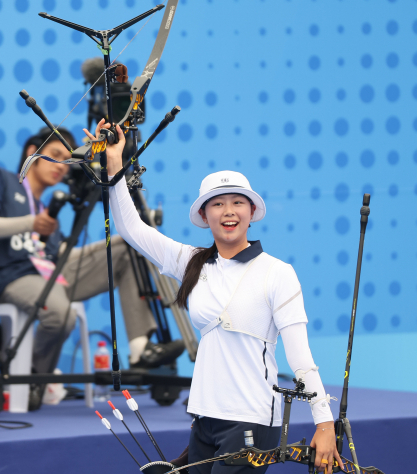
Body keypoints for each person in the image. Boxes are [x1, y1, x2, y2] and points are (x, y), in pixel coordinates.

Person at [86, 119, 343, 474]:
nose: (229, 211)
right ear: (204, 216)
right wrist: (114, 163)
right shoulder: (193, 263)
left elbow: (301, 359)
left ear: (252, 213)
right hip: (204, 418)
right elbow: (132, 229)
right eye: (218, 204)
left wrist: (324, 423)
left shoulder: (278, 273)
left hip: (251, 420)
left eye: (238, 202)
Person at [0, 127, 184, 408]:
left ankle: (140, 349)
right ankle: (32, 375)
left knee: (126, 246)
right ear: (32, 152)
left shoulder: (48, 206)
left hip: (50, 271)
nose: (60, 167)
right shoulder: (0, 180)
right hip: (10, 274)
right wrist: (30, 224)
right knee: (61, 314)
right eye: (54, 156)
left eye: (66, 160)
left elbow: (56, 258)